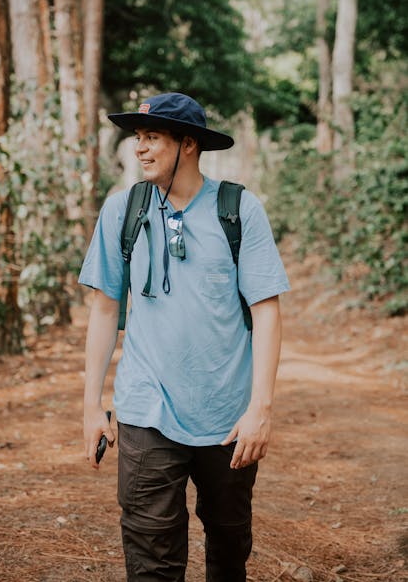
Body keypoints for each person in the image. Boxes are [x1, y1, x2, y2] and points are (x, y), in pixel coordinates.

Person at [79, 92, 290, 582]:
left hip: (226, 416)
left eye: (153, 137)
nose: (141, 149)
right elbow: (105, 309)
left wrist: (260, 409)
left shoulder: (239, 210)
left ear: (188, 144)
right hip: (145, 409)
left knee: (228, 545)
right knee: (152, 560)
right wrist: (92, 405)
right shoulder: (122, 211)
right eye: (138, 138)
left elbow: (267, 312)